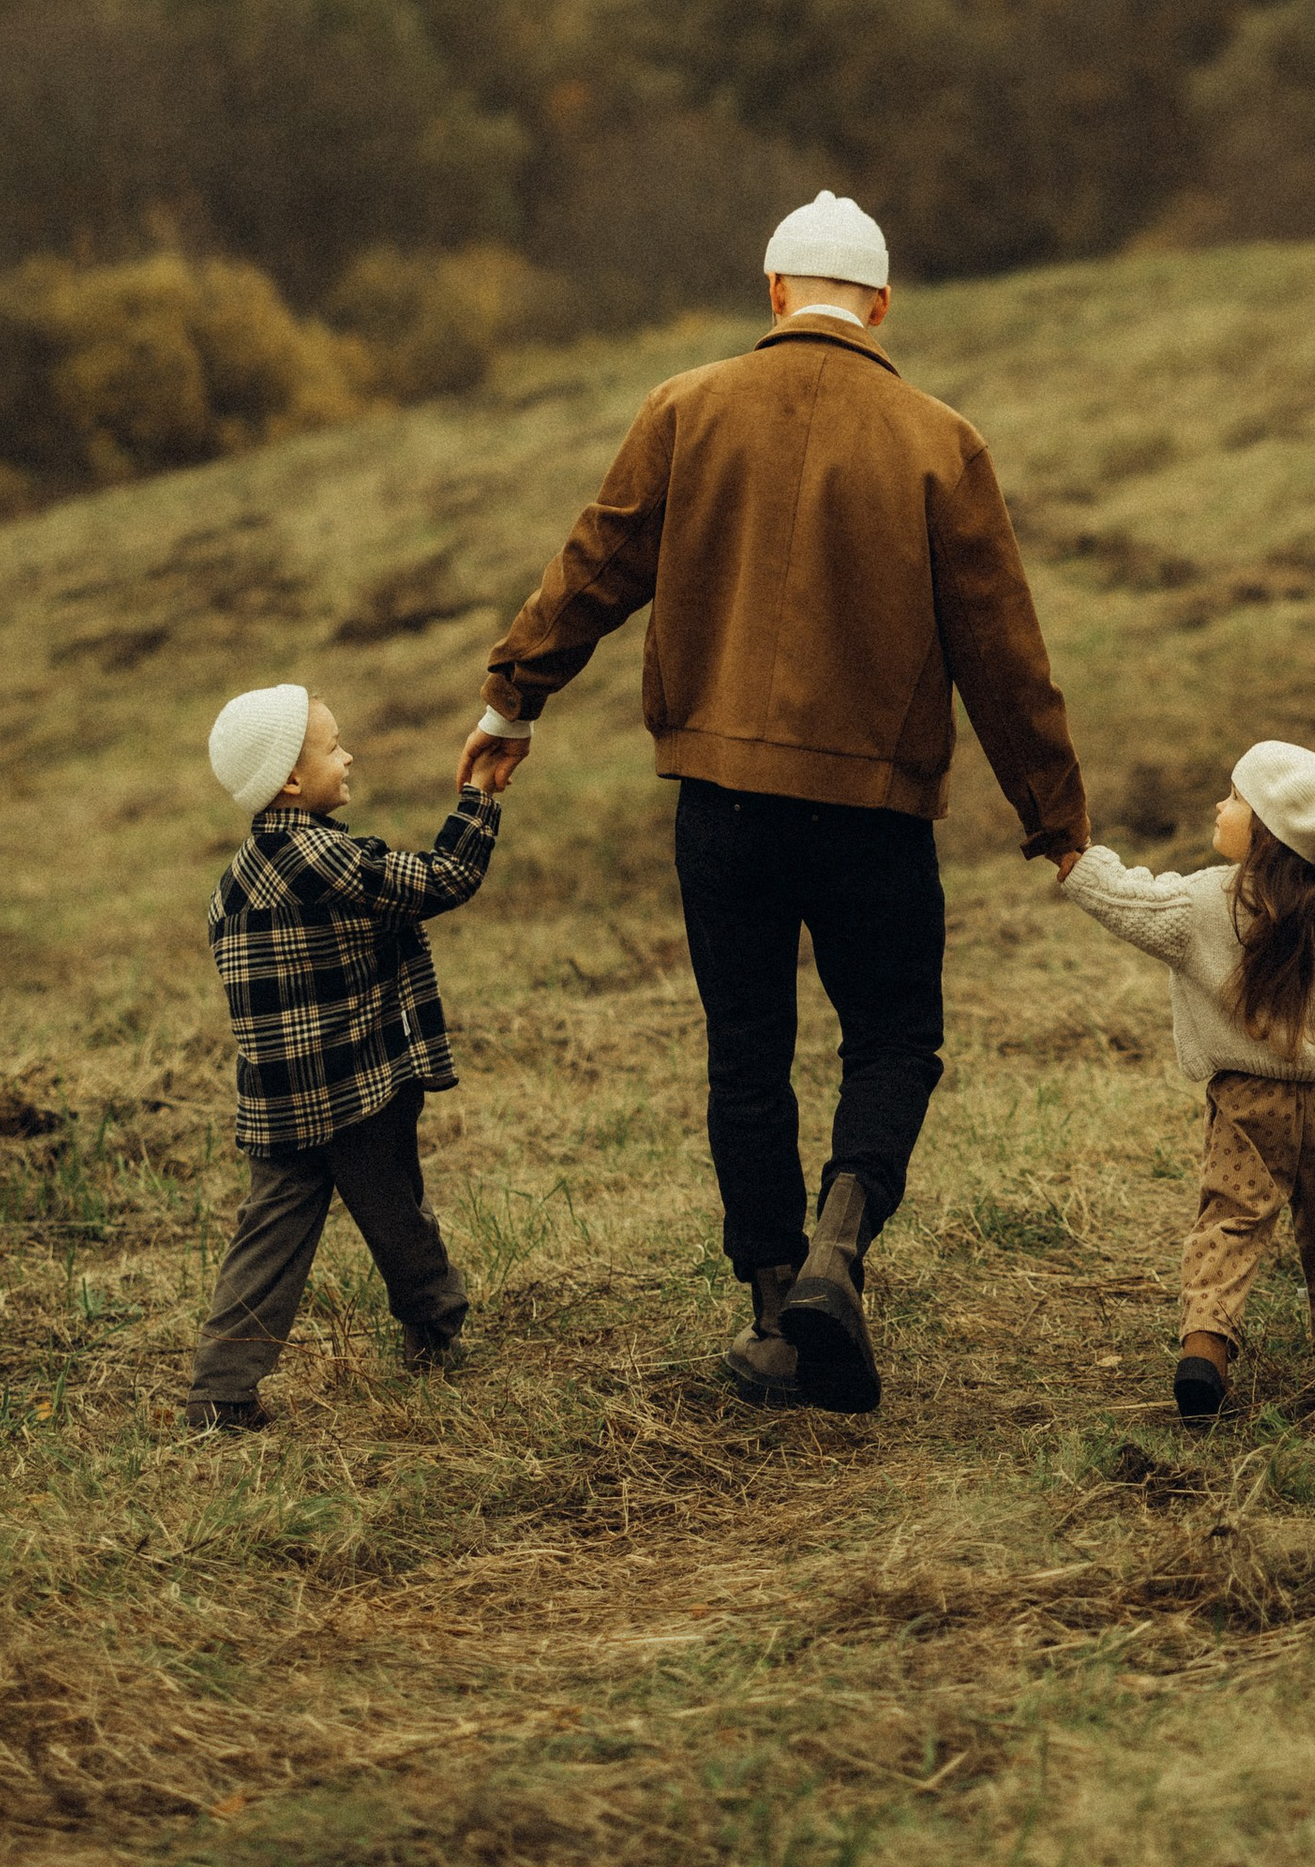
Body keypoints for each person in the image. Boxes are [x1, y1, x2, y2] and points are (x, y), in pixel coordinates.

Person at [460, 190, 1091, 1418]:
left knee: (745, 1052)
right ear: (880, 306)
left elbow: (597, 563)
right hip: (873, 810)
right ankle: (836, 1255)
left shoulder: (686, 410)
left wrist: (510, 702)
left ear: (772, 296)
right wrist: (1052, 812)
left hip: (722, 803)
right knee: (894, 1039)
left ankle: (771, 1317)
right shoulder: (938, 439)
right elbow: (1002, 650)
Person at [185, 684, 502, 1432]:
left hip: (279, 1098)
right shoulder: (324, 856)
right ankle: (436, 1326)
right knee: (394, 1209)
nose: (348, 753)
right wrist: (479, 798)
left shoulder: (232, 883)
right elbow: (442, 881)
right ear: (290, 781)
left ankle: (221, 1392)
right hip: (357, 1087)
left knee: (268, 1233)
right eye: (331, 746)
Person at [1063, 740, 1315, 1419]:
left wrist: (1077, 862)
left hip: (1249, 1103)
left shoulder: (1200, 905)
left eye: (1237, 797)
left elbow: (1127, 897)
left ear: (1269, 828)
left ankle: (1206, 1349)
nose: (1221, 804)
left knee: (1231, 1220)